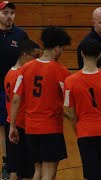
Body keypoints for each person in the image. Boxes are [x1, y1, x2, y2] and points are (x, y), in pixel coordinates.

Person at [9, 26, 71, 180]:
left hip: (31, 129)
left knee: (38, 171)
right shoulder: (61, 71)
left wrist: (12, 126)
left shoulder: (26, 68)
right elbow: (69, 101)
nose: (62, 52)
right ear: (57, 48)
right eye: (62, 49)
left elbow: (16, 99)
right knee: (49, 173)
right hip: (51, 128)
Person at [64, 39, 101, 180]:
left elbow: (71, 114)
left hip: (84, 132)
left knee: (91, 174)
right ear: (99, 55)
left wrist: (80, 130)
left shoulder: (70, 81)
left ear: (82, 54)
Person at [4, 39, 40, 180]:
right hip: (22, 126)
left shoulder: (9, 73)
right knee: (28, 171)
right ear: (25, 55)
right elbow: (17, 101)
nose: (37, 61)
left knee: (15, 168)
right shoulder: (22, 75)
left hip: (11, 123)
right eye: (35, 57)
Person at [0, 1, 29, 178]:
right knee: (3, 128)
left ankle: (21, 164)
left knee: (17, 127)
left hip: (15, 90)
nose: (9, 16)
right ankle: (6, 163)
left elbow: (27, 59)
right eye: (5, 13)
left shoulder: (20, 35)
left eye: (11, 13)